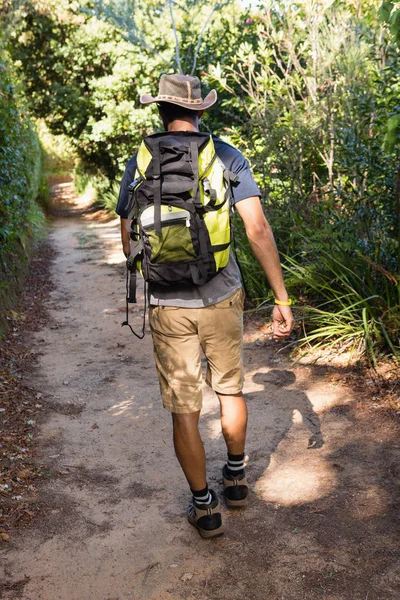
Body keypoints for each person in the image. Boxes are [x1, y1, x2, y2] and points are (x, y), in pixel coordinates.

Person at [116, 74, 294, 538]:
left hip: (167, 306)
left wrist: (157, 272)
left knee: (184, 409)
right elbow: (257, 229)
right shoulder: (227, 156)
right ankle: (235, 480)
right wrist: (281, 297)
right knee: (229, 391)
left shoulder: (140, 160)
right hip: (221, 293)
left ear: (160, 111)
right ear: (201, 112)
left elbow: (127, 237)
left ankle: (204, 508)